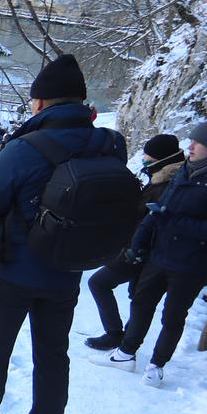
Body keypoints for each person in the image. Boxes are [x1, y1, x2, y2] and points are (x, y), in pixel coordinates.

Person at [0, 54, 127, 414]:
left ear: (40, 103)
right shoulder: (110, 144)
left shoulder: (24, 147)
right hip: (67, 268)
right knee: (52, 356)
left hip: (13, 268)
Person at [105, 117, 207, 385]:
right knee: (141, 303)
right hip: (161, 253)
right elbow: (161, 209)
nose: (191, 145)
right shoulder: (188, 168)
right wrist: (139, 242)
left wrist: (172, 222)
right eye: (192, 140)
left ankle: (156, 366)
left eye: (199, 142)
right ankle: (126, 353)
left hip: (193, 263)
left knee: (173, 316)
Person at [83, 133, 185, 350]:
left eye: (148, 157)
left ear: (160, 159)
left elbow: (151, 218)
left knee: (100, 283)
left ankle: (117, 336)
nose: (144, 160)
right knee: (136, 294)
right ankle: (125, 337)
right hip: (141, 247)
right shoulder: (162, 178)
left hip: (142, 249)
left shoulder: (169, 183)